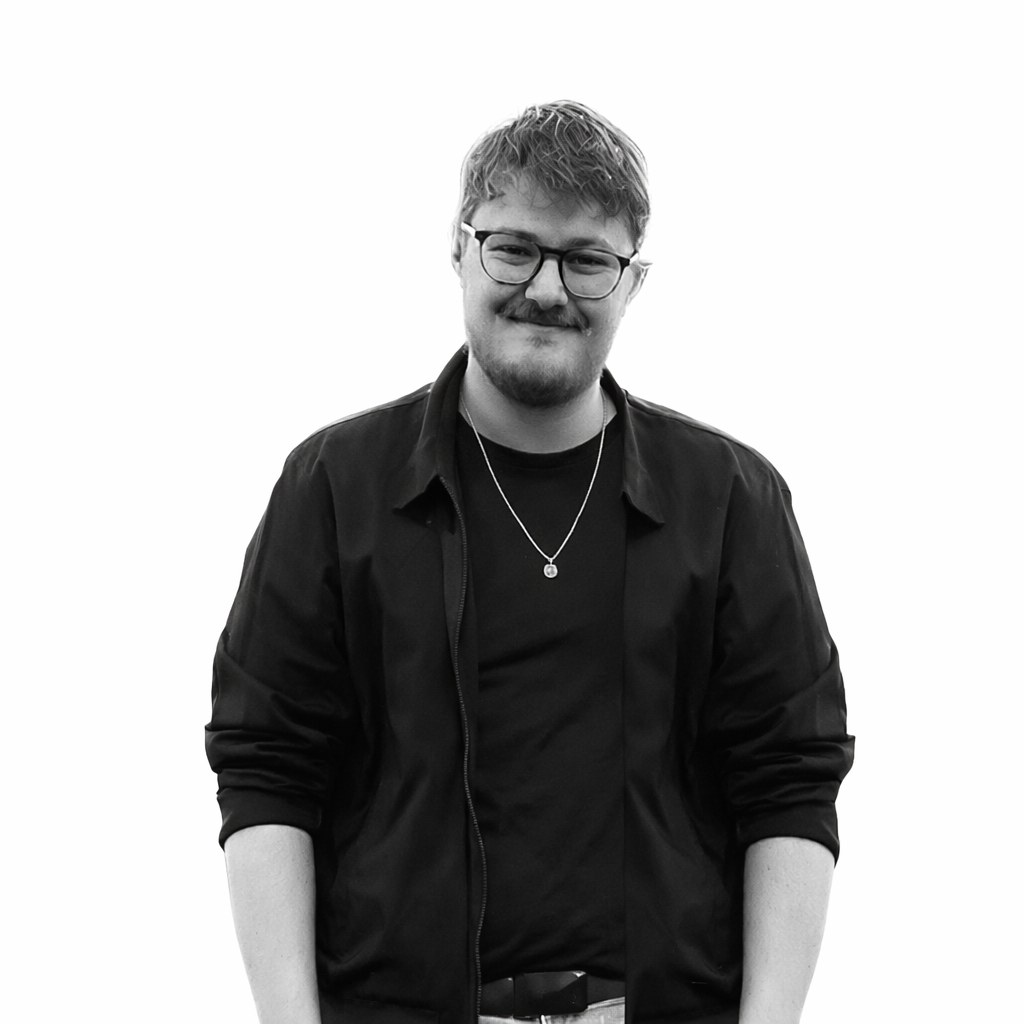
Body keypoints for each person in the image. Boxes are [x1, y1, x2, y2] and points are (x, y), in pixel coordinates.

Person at [206, 100, 854, 1024]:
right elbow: (267, 764)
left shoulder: (732, 502)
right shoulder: (334, 487)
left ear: (633, 282)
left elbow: (790, 777)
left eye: (588, 259)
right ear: (460, 250)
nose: (547, 288)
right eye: (514, 247)